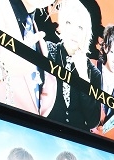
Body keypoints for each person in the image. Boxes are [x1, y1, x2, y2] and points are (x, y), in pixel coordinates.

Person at [46, 0, 101, 131]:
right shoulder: (48, 51)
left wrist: (83, 79)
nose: (74, 32)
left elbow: (93, 121)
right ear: (61, 26)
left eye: (80, 27)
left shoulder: (94, 73)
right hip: (45, 132)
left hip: (77, 141)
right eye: (69, 23)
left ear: (86, 34)